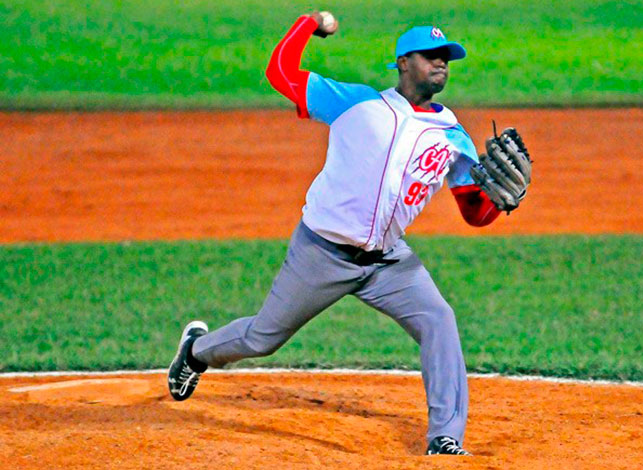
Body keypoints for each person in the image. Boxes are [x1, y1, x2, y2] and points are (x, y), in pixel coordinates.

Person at [167, 11, 531, 456]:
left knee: (440, 321)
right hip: (321, 253)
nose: (441, 63)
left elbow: (474, 213)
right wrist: (308, 24)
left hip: (389, 263)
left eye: (447, 58)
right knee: (264, 337)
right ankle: (197, 351)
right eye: (430, 55)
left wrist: (499, 203)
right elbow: (280, 73)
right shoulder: (356, 103)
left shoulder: (454, 136)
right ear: (402, 62)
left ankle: (445, 438)